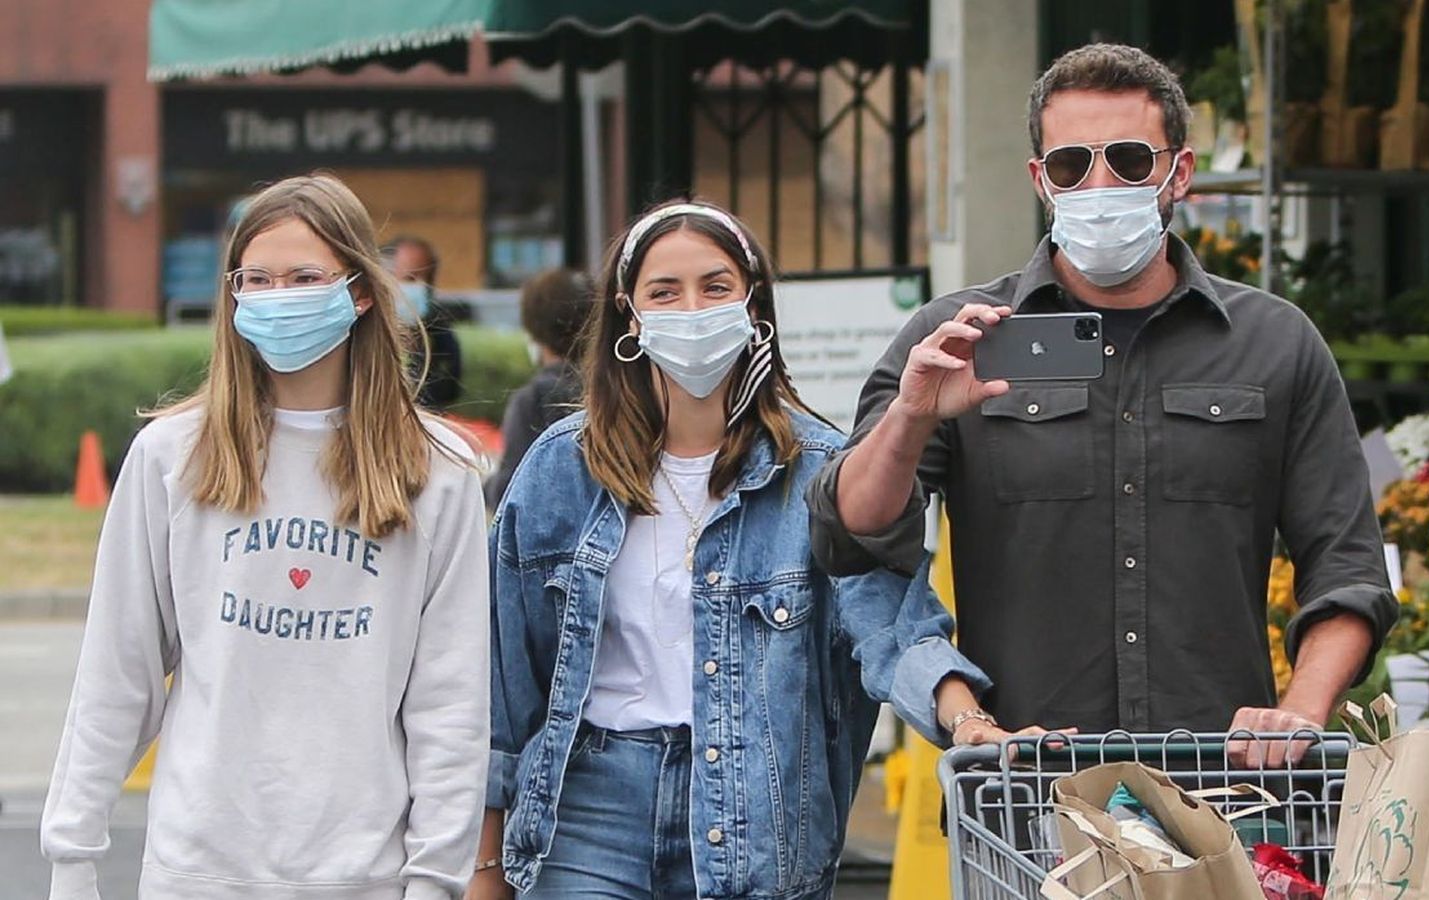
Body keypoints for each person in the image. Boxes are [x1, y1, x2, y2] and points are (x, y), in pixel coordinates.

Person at [807, 43, 1399, 765]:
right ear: (1040, 181)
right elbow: (851, 537)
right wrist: (912, 416)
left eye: (1127, 160)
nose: (1099, 184)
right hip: (1024, 791)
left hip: (1225, 787)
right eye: (1070, 165)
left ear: (1177, 171)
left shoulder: (1276, 343)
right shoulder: (957, 338)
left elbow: (1347, 568)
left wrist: (1300, 711)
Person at [472, 201, 1024, 900]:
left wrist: (964, 716)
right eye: (664, 293)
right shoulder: (560, 470)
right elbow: (502, 682)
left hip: (755, 815)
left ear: (754, 305)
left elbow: (891, 621)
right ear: (629, 316)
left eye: (716, 286)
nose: (692, 310)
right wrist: (485, 867)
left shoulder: (820, 467)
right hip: (590, 810)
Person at [41, 174, 490, 899]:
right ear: (233, 294)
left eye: (305, 277)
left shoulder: (438, 473)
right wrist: (71, 854)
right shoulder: (171, 457)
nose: (279, 296)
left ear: (360, 291)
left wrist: (436, 878)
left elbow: (451, 702)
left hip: (365, 873)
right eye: (258, 279)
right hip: (200, 867)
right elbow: (118, 671)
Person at [485, 267, 592, 509]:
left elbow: (511, 488)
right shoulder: (616, 389)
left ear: (534, 329)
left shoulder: (533, 400)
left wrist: (483, 487)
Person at [386, 234, 465, 411]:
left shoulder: (439, 330)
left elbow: (449, 388)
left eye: (428, 278)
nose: (421, 286)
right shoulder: (359, 330)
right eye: (411, 278)